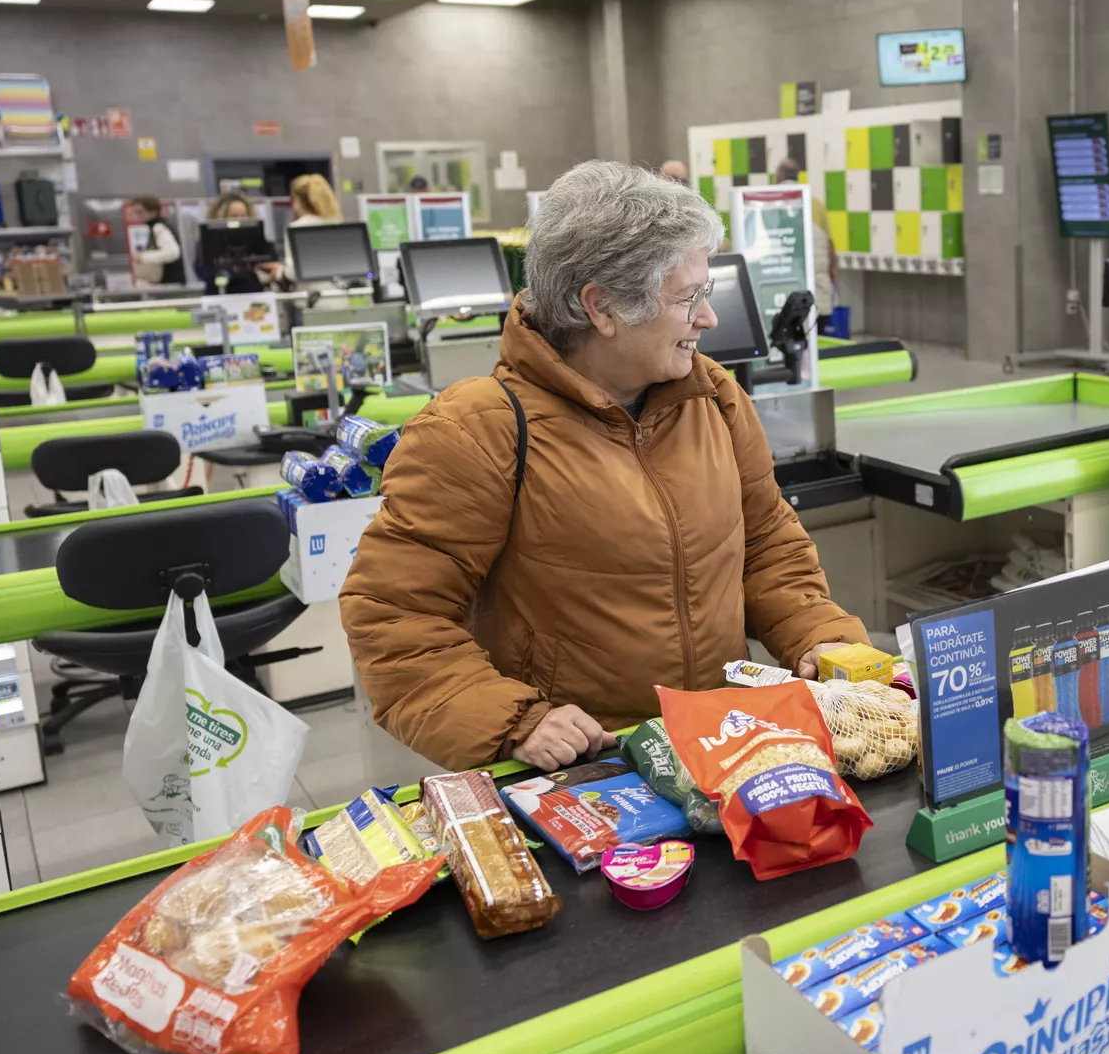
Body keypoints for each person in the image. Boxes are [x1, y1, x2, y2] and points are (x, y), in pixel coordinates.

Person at [340, 160, 867, 771]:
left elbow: (767, 543)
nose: (709, 318)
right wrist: (513, 721)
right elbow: (394, 617)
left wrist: (818, 635)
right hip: (591, 771)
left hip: (724, 749)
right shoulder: (478, 430)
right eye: (689, 298)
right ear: (602, 307)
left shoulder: (713, 398)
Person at [774, 157, 837, 305]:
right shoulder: (815, 203)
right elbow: (829, 243)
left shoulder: (771, 203)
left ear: (777, 178)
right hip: (816, 281)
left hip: (787, 274)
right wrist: (832, 271)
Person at [126, 196, 184, 286]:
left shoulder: (159, 227)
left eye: (140, 212)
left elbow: (172, 253)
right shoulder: (160, 226)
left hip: (170, 282)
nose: (137, 215)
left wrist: (142, 257)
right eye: (136, 212)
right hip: (171, 282)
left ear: (153, 212)